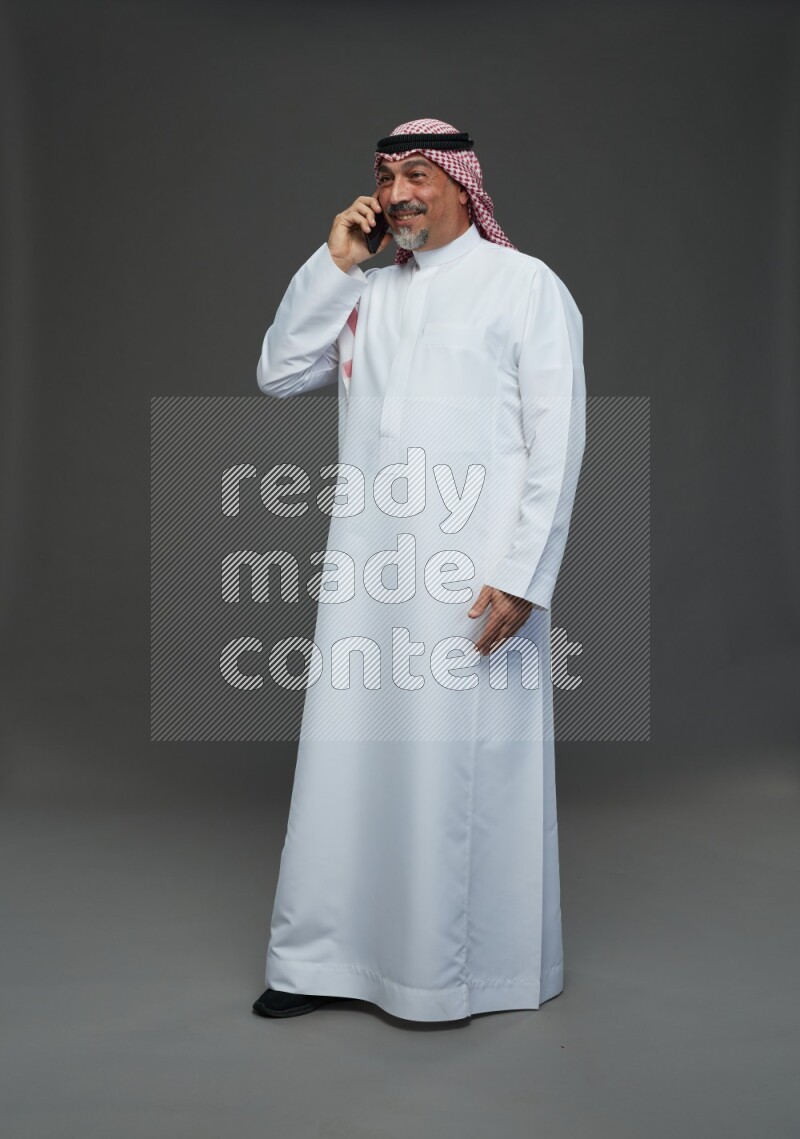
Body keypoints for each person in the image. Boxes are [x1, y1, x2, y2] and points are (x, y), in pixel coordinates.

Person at [252, 117, 586, 1022]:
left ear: (463, 186)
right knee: (349, 765)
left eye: (416, 174)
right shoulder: (366, 292)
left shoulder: (524, 285)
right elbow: (278, 372)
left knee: (455, 773)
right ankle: (321, 962)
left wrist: (524, 574)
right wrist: (334, 263)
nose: (397, 193)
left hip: (475, 581)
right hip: (368, 577)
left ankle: (450, 977)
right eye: (384, 177)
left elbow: (557, 439)